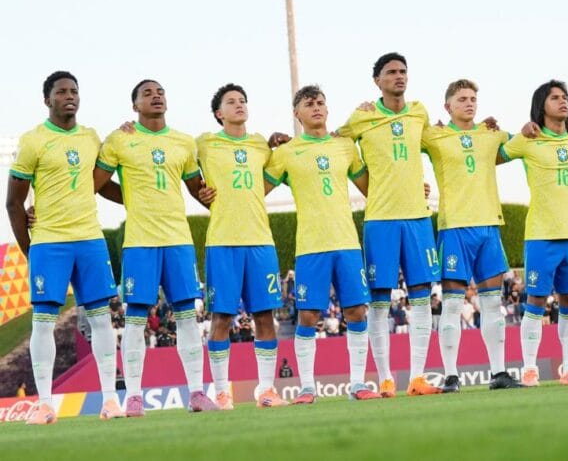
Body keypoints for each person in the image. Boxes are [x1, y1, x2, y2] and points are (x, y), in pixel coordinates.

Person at [7, 71, 125, 424]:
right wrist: (31, 251)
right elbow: (14, 202)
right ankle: (45, 404)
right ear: (48, 99)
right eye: (61, 92)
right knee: (42, 324)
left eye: (74, 90)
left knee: (102, 320)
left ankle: (110, 401)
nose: (69, 96)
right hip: (50, 243)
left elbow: (102, 184)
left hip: (90, 239)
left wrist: (141, 198)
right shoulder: (33, 140)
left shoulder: (91, 137)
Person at [94, 79, 219, 414]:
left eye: (160, 91)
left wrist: (204, 195)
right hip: (140, 242)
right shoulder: (121, 139)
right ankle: (133, 396)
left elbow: (196, 186)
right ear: (134, 105)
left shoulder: (182, 142)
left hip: (178, 240)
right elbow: (96, 183)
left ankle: (196, 393)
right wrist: (130, 200)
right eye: (147, 93)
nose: (156, 96)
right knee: (135, 317)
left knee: (188, 316)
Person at [265, 85, 380, 401]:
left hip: (346, 242)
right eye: (308, 104)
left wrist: (409, 187)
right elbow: (254, 189)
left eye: (320, 102)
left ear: (327, 109)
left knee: (356, 311)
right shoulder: (286, 153)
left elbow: (372, 187)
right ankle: (306, 388)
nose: (316, 107)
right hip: (311, 246)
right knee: (308, 317)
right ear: (296, 113)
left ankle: (357, 384)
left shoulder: (344, 147)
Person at [337, 53, 442, 397]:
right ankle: (384, 378)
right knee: (379, 299)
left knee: (422, 296)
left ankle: (417, 378)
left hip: (417, 217)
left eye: (402, 72)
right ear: (377, 81)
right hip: (380, 219)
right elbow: (333, 143)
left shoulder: (419, 112)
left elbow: (435, 145)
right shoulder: (362, 117)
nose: (399, 77)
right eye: (391, 73)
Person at [423, 79, 522, 392]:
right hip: (454, 228)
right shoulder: (434, 134)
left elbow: (525, 141)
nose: (469, 103)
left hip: (489, 226)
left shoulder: (490, 134)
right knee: (452, 305)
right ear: (447, 106)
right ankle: (451, 376)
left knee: (494, 304)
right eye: (462, 99)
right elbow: (400, 152)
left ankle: (499, 373)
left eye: (473, 99)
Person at [499, 80, 568, 386]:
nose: (563, 101)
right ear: (541, 105)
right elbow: (495, 154)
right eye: (555, 98)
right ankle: (529, 368)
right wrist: (513, 131)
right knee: (537, 300)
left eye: (565, 97)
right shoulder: (528, 139)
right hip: (541, 234)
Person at [195, 83, 288, 410]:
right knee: (221, 318)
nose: (239, 105)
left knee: (265, 317)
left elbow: (277, 171)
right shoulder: (205, 143)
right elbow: (178, 163)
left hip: (260, 241)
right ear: (219, 113)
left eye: (243, 100)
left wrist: (279, 140)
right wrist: (198, 192)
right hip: (222, 242)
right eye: (231, 102)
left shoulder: (261, 146)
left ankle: (266, 390)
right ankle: (222, 392)